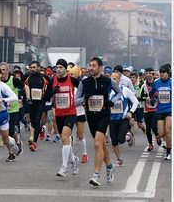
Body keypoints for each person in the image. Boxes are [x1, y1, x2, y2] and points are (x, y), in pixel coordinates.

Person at [75, 57, 122, 186]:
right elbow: (75, 101)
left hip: (104, 114)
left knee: (97, 143)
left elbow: (119, 93)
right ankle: (110, 166)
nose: (91, 68)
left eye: (94, 65)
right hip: (91, 115)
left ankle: (96, 174)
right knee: (101, 144)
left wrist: (112, 101)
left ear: (100, 67)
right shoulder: (84, 83)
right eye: (90, 65)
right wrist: (85, 98)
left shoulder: (108, 81)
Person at [42, 59, 80, 177]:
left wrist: (81, 100)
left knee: (64, 137)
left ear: (65, 69)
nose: (58, 70)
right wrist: (53, 91)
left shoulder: (72, 80)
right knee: (65, 140)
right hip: (59, 114)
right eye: (57, 67)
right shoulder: (53, 80)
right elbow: (44, 98)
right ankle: (73, 160)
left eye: (60, 67)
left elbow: (83, 90)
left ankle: (64, 167)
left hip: (71, 112)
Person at [109, 72, 139, 167]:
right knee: (114, 141)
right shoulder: (108, 92)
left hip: (123, 119)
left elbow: (135, 101)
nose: (113, 81)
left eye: (115, 79)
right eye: (112, 79)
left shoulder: (125, 90)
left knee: (120, 140)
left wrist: (131, 112)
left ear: (119, 80)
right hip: (112, 120)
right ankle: (120, 159)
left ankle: (129, 136)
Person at [22, 60, 50, 151]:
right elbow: (22, 87)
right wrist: (25, 98)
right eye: (31, 68)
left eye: (34, 67)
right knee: (33, 123)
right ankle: (41, 130)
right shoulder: (27, 77)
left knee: (37, 121)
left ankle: (34, 143)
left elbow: (50, 87)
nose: (32, 69)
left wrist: (46, 97)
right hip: (31, 102)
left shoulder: (44, 77)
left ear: (39, 68)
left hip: (40, 102)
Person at [149, 64, 172, 160]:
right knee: (161, 133)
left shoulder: (171, 82)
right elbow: (151, 92)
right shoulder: (157, 82)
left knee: (168, 130)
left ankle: (168, 152)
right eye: (160, 72)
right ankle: (168, 142)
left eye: (164, 72)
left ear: (168, 73)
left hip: (170, 110)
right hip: (160, 110)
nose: (161, 74)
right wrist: (152, 99)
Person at [140, 67, 160, 151]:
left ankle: (157, 136)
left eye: (149, 73)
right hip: (146, 110)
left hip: (155, 109)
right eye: (146, 73)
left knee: (154, 127)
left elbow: (160, 94)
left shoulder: (157, 83)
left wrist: (154, 98)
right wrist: (146, 98)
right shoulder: (143, 85)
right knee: (148, 128)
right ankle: (150, 144)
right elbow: (140, 97)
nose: (148, 75)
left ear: (152, 74)